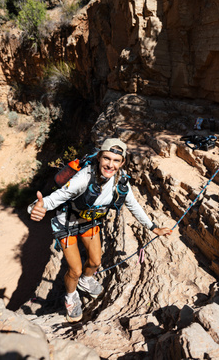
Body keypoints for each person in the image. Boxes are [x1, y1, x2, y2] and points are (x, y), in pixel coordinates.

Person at [29, 138, 172, 322]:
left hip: (89, 221)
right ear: (99, 157)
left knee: (96, 262)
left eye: (115, 160)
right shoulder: (84, 177)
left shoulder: (121, 182)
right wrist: (37, 207)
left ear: (122, 163)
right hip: (66, 221)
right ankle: (71, 298)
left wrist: (153, 228)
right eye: (106, 158)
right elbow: (58, 196)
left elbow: (134, 206)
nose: (110, 165)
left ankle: (86, 281)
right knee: (75, 269)